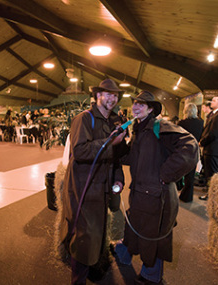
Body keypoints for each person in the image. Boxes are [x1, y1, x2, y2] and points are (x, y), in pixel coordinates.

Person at [115, 91, 199, 285]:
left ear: (151, 109)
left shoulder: (159, 126)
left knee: (154, 237)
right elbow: (133, 157)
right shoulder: (139, 129)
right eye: (135, 103)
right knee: (135, 228)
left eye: (141, 104)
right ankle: (124, 255)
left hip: (157, 197)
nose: (136, 107)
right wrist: (119, 147)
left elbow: (191, 146)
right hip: (141, 193)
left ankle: (151, 277)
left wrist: (165, 174)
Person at [59, 79, 127, 285]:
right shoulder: (84, 119)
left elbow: (117, 156)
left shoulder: (115, 121)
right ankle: (78, 280)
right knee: (84, 237)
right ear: (97, 96)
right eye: (107, 94)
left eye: (115, 95)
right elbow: (79, 151)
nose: (112, 98)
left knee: (98, 233)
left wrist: (118, 179)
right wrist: (110, 142)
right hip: (84, 188)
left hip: (104, 187)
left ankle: (94, 270)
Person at [177, 103, 204, 202]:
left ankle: (179, 188)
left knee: (180, 170)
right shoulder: (201, 122)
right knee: (190, 174)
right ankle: (188, 196)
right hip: (195, 149)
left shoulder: (182, 123)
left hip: (183, 149)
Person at [199, 95, 218, 201]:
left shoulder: (217, 116)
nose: (212, 102)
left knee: (212, 175)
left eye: (214, 100)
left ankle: (211, 196)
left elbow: (213, 133)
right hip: (212, 150)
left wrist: (202, 142)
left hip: (212, 150)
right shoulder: (214, 115)